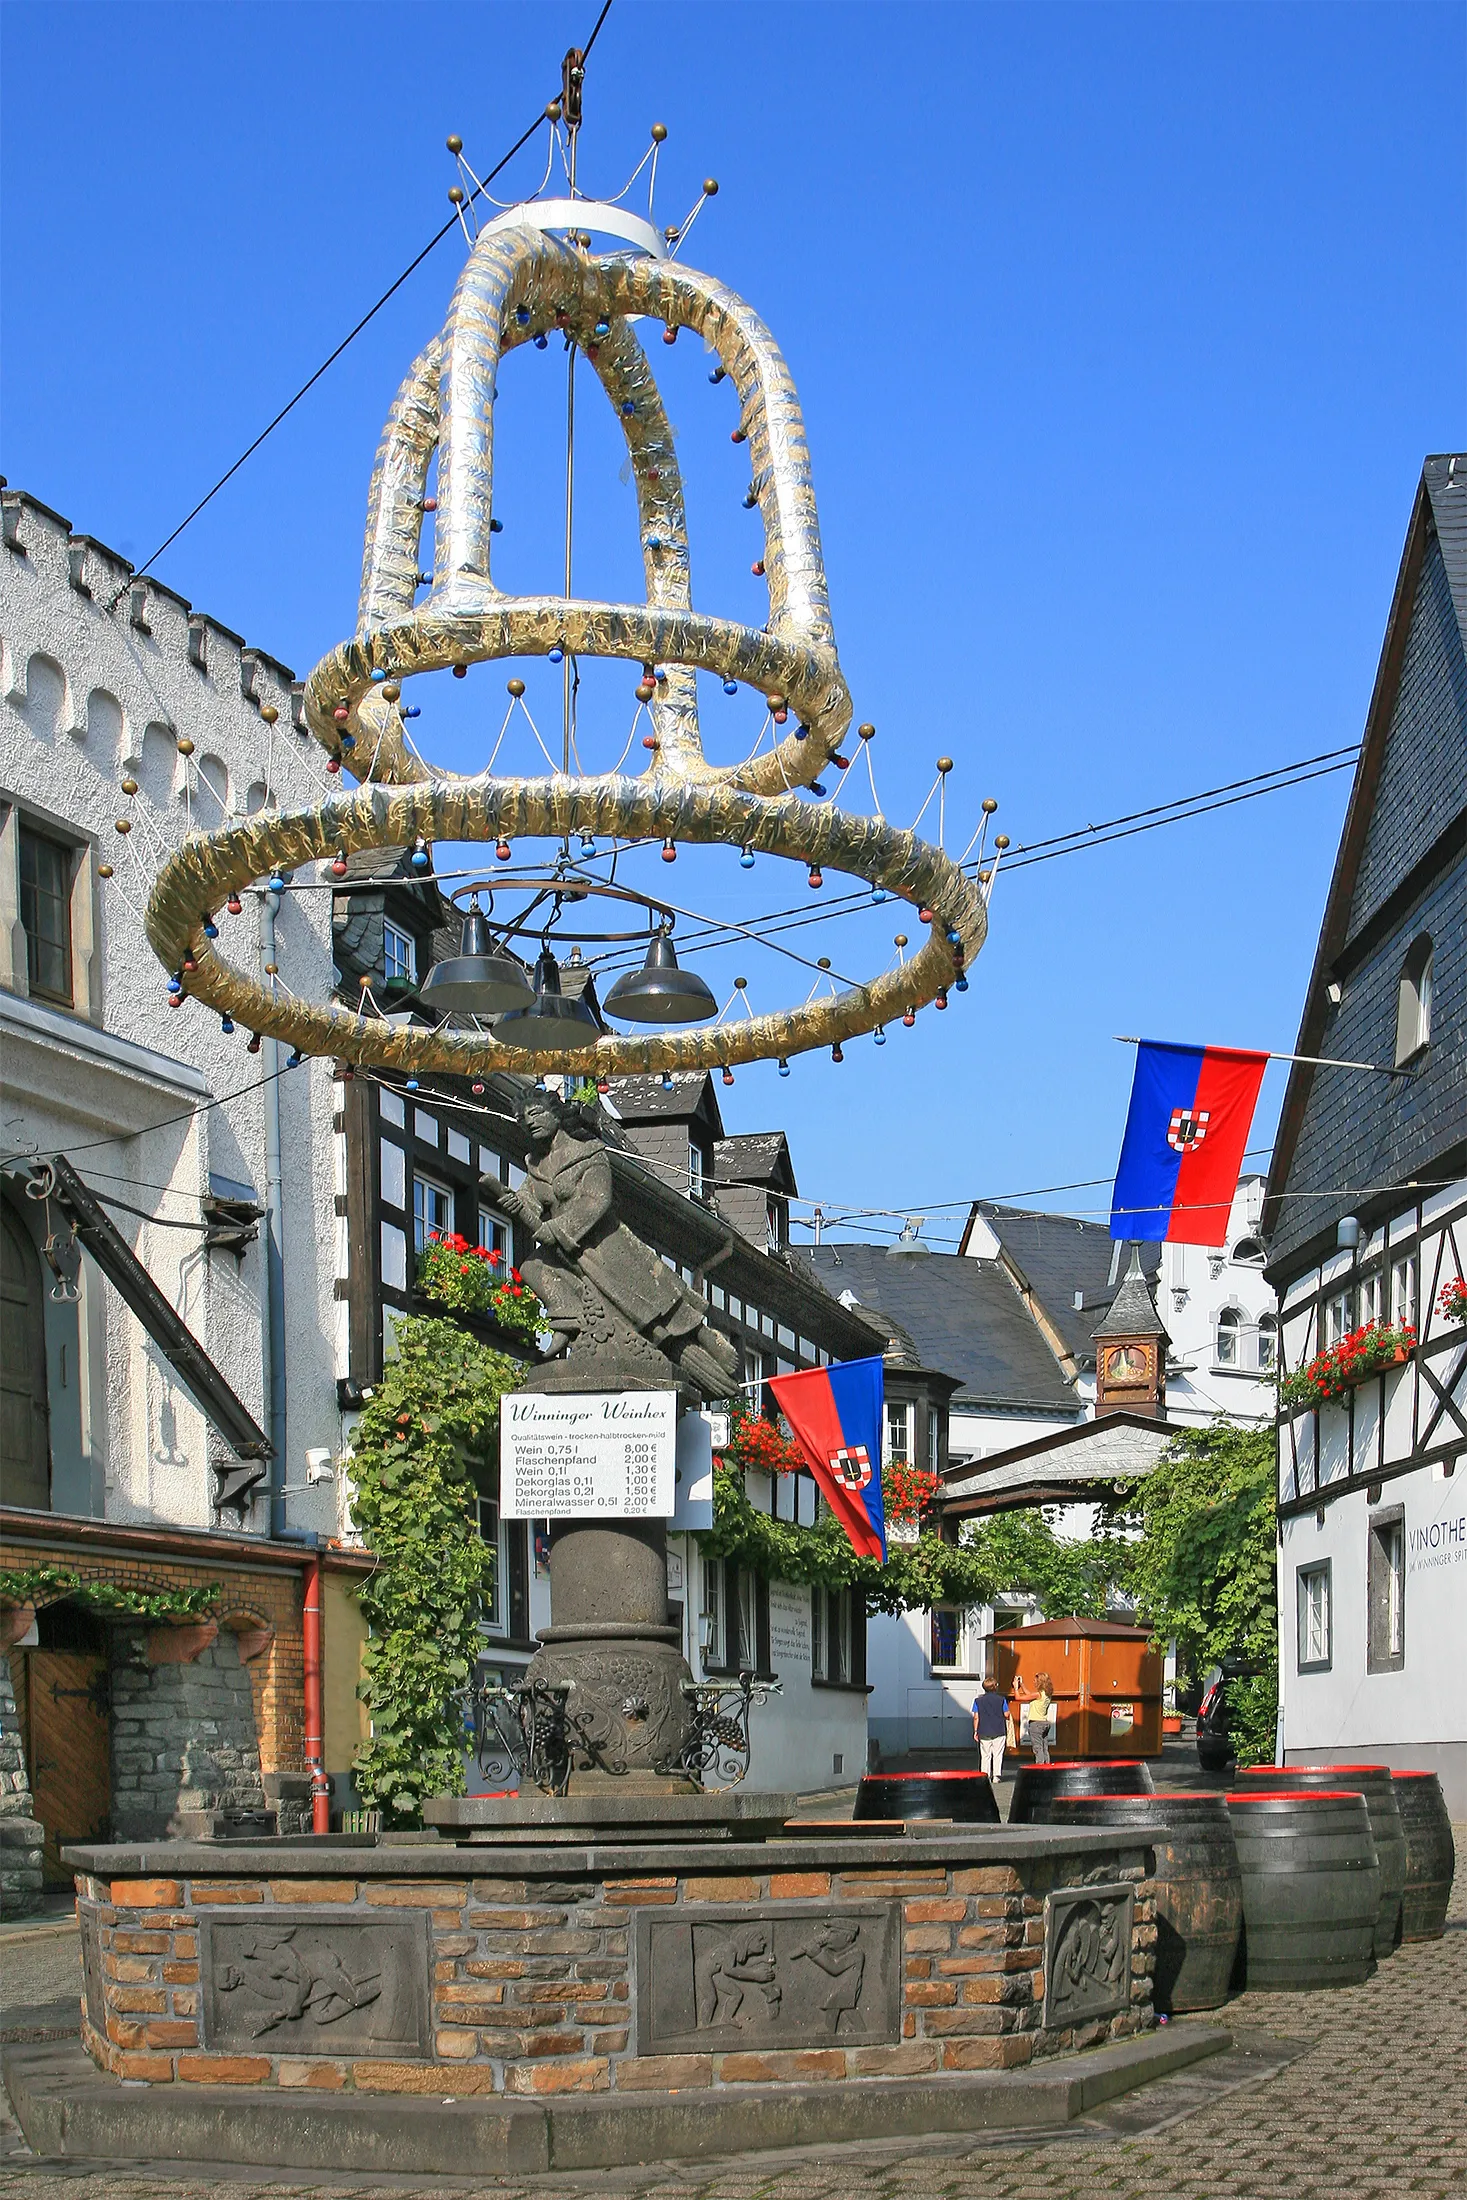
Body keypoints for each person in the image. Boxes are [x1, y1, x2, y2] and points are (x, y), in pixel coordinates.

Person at [972, 1678, 1009, 1786]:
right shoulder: (1001, 1700)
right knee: (998, 1754)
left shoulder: (978, 1701)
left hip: (983, 1730)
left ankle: (985, 1775)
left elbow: (976, 1717)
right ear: (995, 1687)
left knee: (985, 1754)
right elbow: (1006, 1714)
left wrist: (975, 1731)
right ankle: (996, 1776)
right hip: (999, 1730)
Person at [1015, 1670, 1056, 1765]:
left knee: (1037, 1748)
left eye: (1035, 1680)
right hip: (1044, 1723)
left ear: (1039, 1682)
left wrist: (1016, 1688)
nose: (1034, 1682)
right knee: (1044, 1747)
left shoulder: (1039, 1694)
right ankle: (1047, 1765)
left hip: (1036, 1724)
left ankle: (1040, 1766)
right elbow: (1029, 1695)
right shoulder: (1046, 1694)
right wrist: (1022, 1684)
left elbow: (1018, 1698)